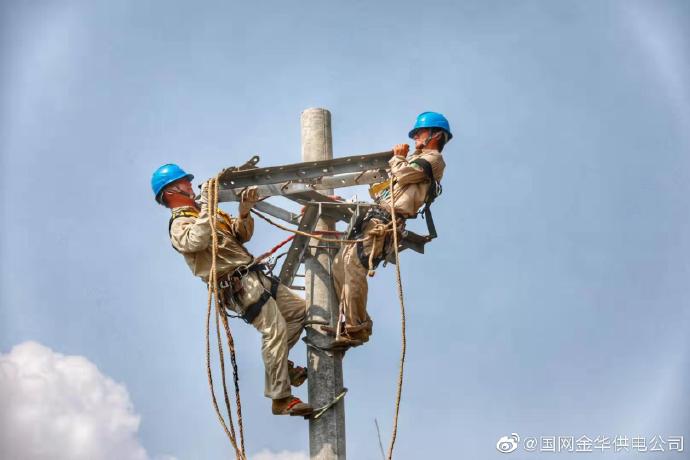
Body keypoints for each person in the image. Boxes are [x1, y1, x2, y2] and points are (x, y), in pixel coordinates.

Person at [151, 164, 313, 416]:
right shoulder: (180, 223)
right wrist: (206, 206)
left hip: (254, 274)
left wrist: (244, 212)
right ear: (170, 192)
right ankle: (280, 398)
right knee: (274, 329)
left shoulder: (207, 213)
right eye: (184, 182)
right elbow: (197, 241)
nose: (190, 185)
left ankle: (281, 368)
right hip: (237, 284)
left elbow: (240, 235)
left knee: (299, 312)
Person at [330, 112, 451, 347]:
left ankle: (357, 328)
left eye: (420, 132)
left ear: (436, 135)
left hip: (387, 223)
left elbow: (404, 175)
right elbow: (383, 191)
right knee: (338, 266)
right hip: (374, 218)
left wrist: (398, 158)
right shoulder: (414, 159)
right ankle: (346, 321)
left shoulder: (434, 160)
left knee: (353, 267)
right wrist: (340, 203)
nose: (415, 136)